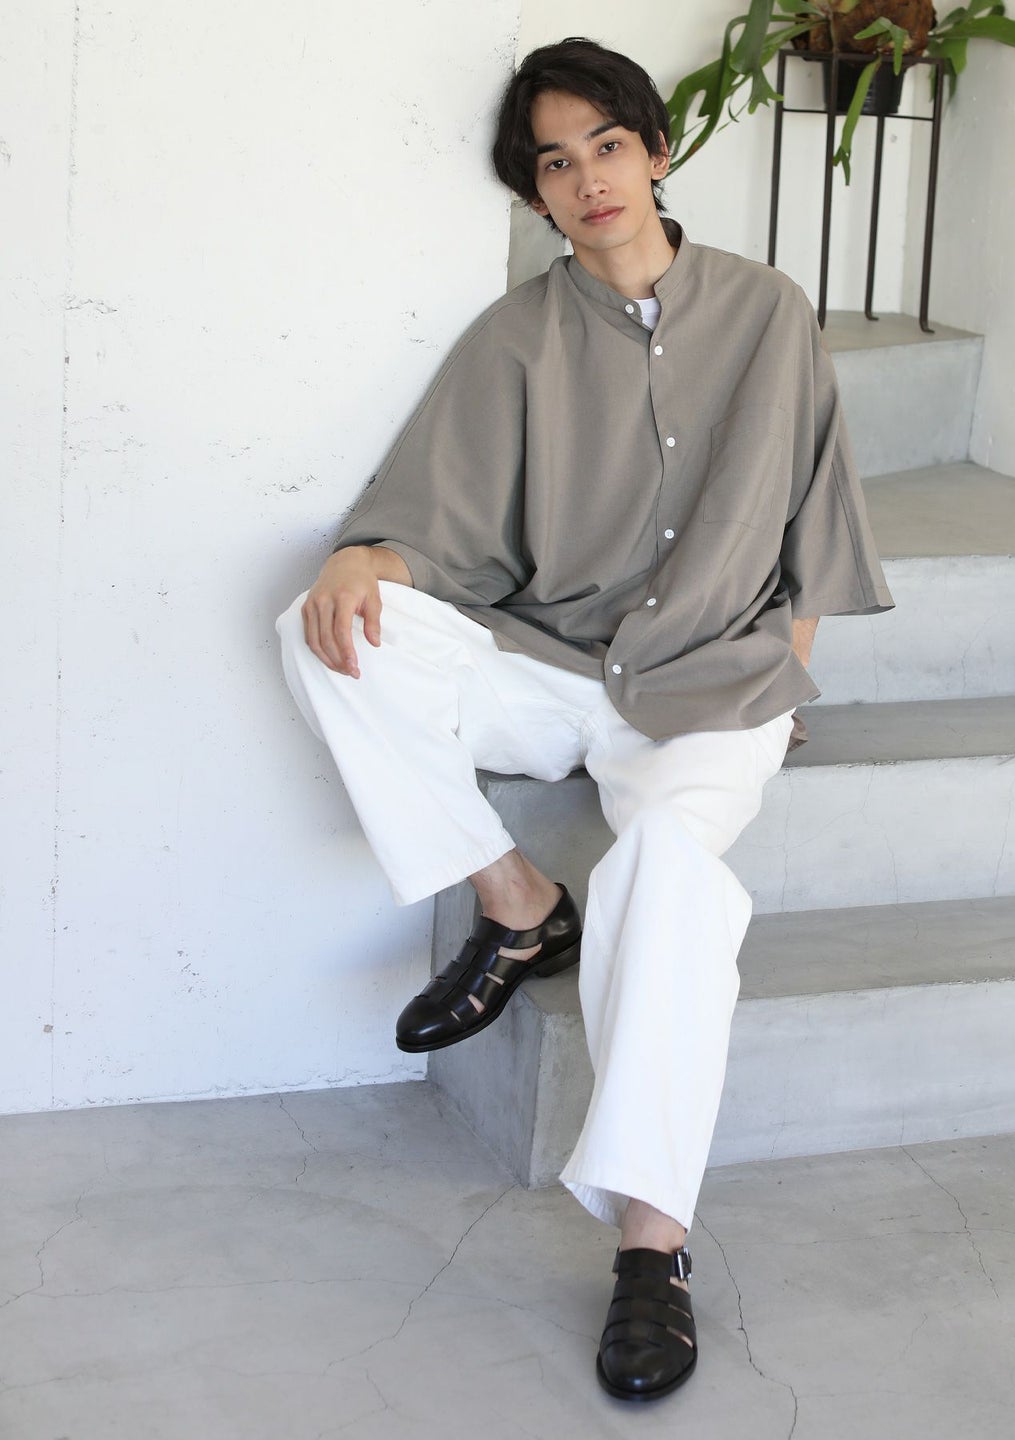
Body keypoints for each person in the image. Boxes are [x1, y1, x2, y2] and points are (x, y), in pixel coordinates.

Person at [277, 36, 893, 1401]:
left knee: (670, 872)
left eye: (607, 146)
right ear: (536, 193)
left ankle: (649, 1251)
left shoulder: (769, 312)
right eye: (556, 163)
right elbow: (427, 518)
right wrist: (361, 559)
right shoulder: (514, 338)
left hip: (714, 687)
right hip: (557, 668)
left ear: (656, 151)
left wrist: (788, 679)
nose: (588, 179)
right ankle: (517, 903)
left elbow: (816, 518)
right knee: (319, 631)